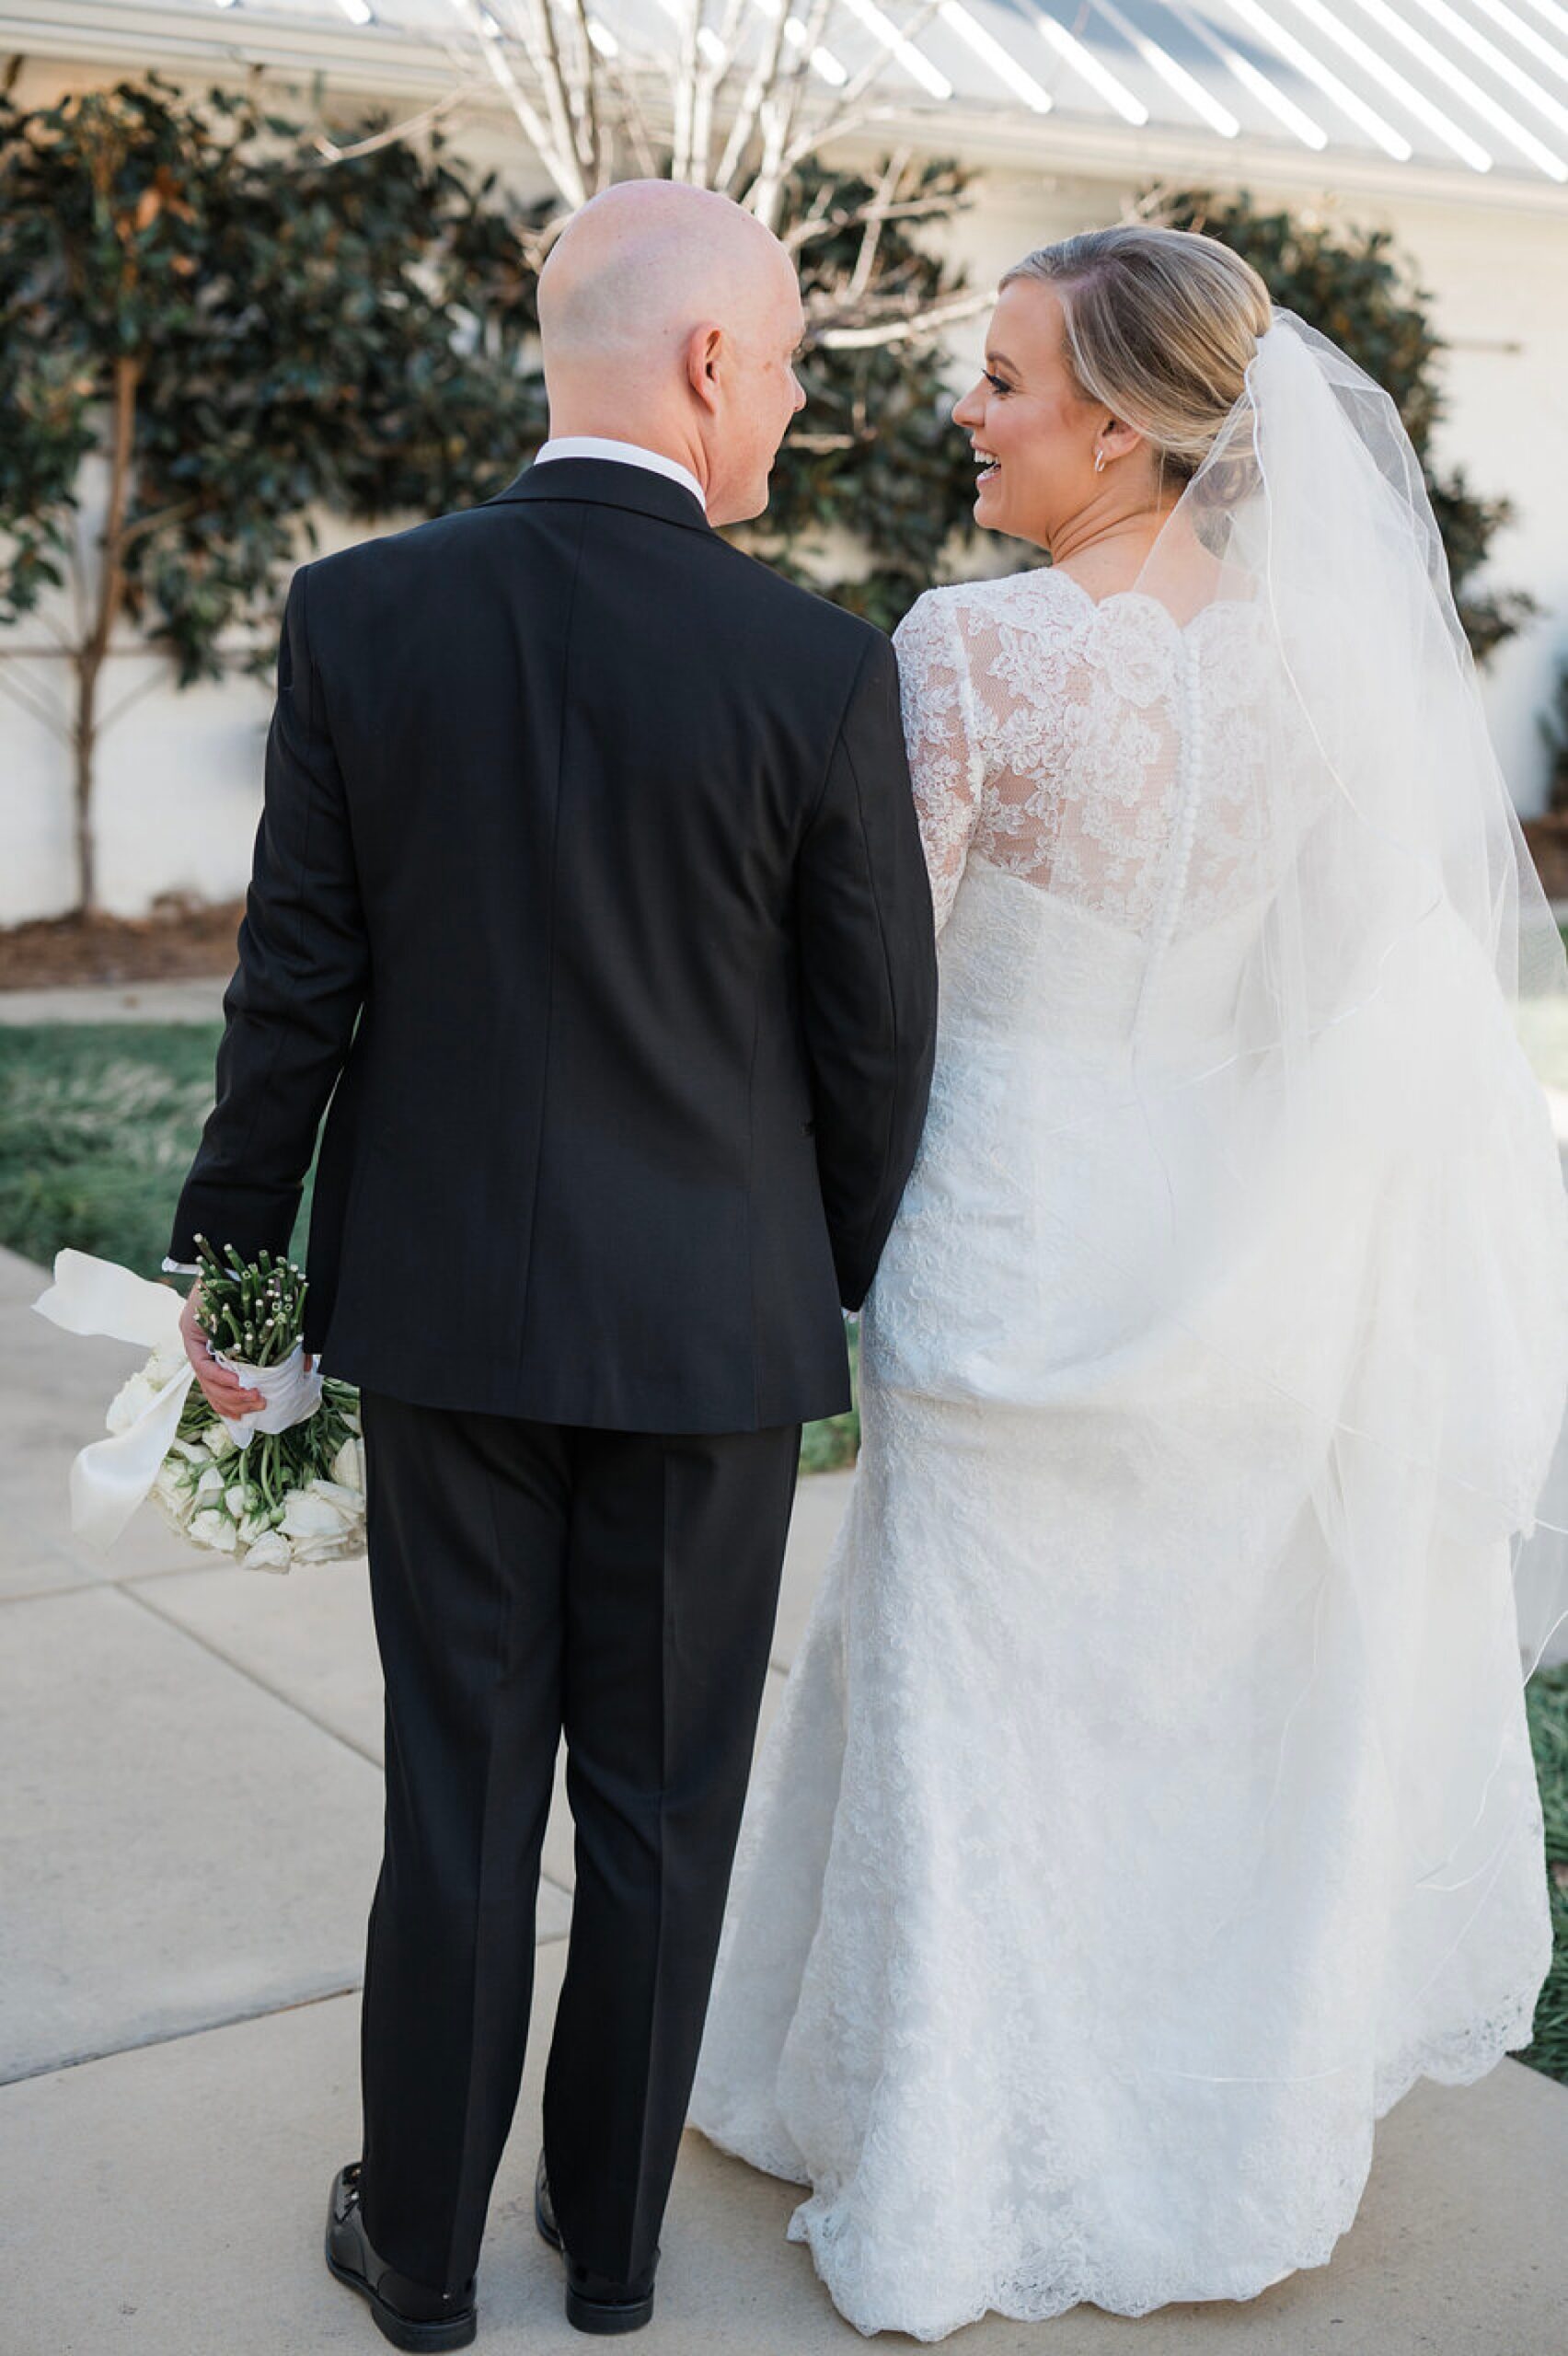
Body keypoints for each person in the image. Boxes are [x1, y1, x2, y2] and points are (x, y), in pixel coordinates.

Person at [690, 225, 1568, 2339]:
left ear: (1118, 418)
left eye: (1001, 380)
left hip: (999, 1221)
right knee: (1195, 1702)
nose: (966, 414)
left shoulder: (968, 651)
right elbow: (1363, 982)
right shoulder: (1333, 668)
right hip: (1242, 1239)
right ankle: (1202, 2132)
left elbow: (868, 990)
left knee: (977, 1696)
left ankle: (959, 2138)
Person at [167, 179, 937, 2350]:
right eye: (786, 361)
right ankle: (606, 2249)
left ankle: (417, 2255)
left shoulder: (363, 615)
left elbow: (290, 994)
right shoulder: (814, 660)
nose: (789, 403)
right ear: (705, 363)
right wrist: (813, 1272)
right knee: (666, 1811)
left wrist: (238, 1293)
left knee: (460, 1795)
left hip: (446, 1329)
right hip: (710, 1339)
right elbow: (877, 1047)